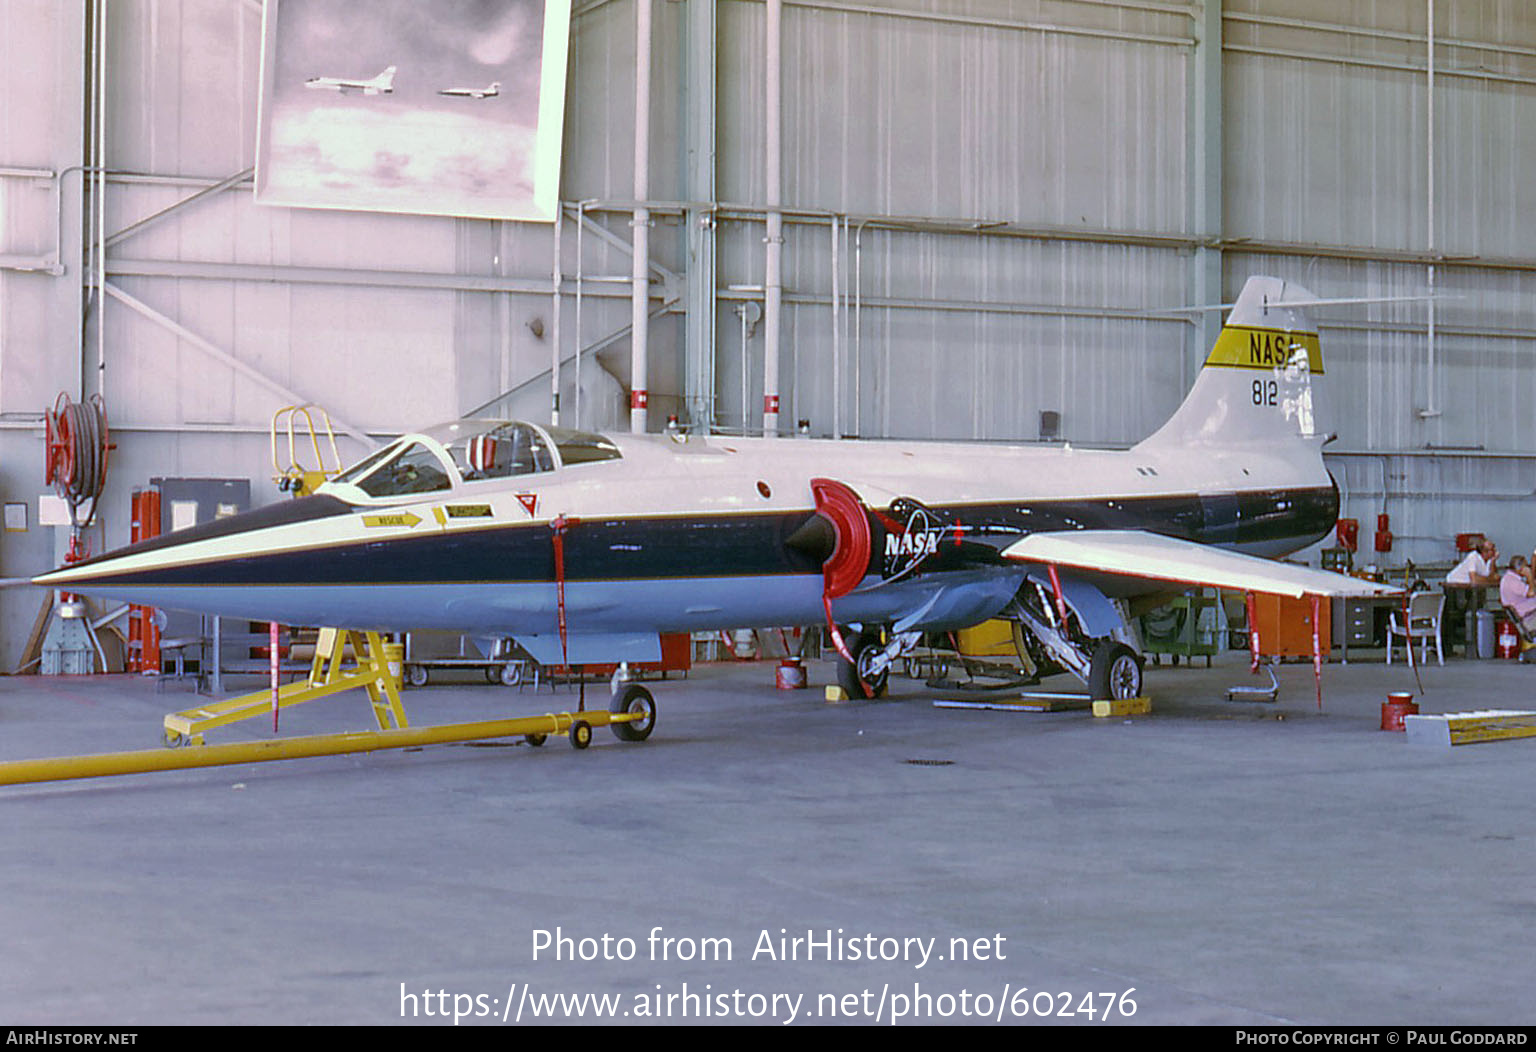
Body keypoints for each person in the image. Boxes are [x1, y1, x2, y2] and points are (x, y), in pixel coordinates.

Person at [1501, 555, 1536, 633]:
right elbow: (1531, 593)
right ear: (1520, 568)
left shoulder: (1509, 578)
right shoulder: (1512, 581)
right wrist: (1530, 576)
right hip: (1529, 618)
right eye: (1526, 566)